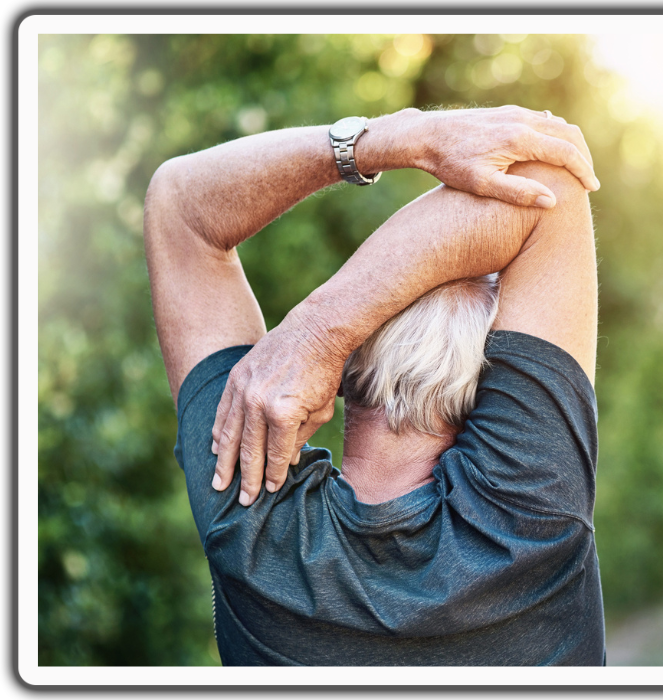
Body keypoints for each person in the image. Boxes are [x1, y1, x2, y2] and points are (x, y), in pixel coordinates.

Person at [144, 105, 602, 665]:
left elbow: (179, 205)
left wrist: (394, 139)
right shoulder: (531, 509)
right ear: (505, 393)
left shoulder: (246, 510)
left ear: (341, 373)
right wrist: (319, 331)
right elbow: (545, 184)